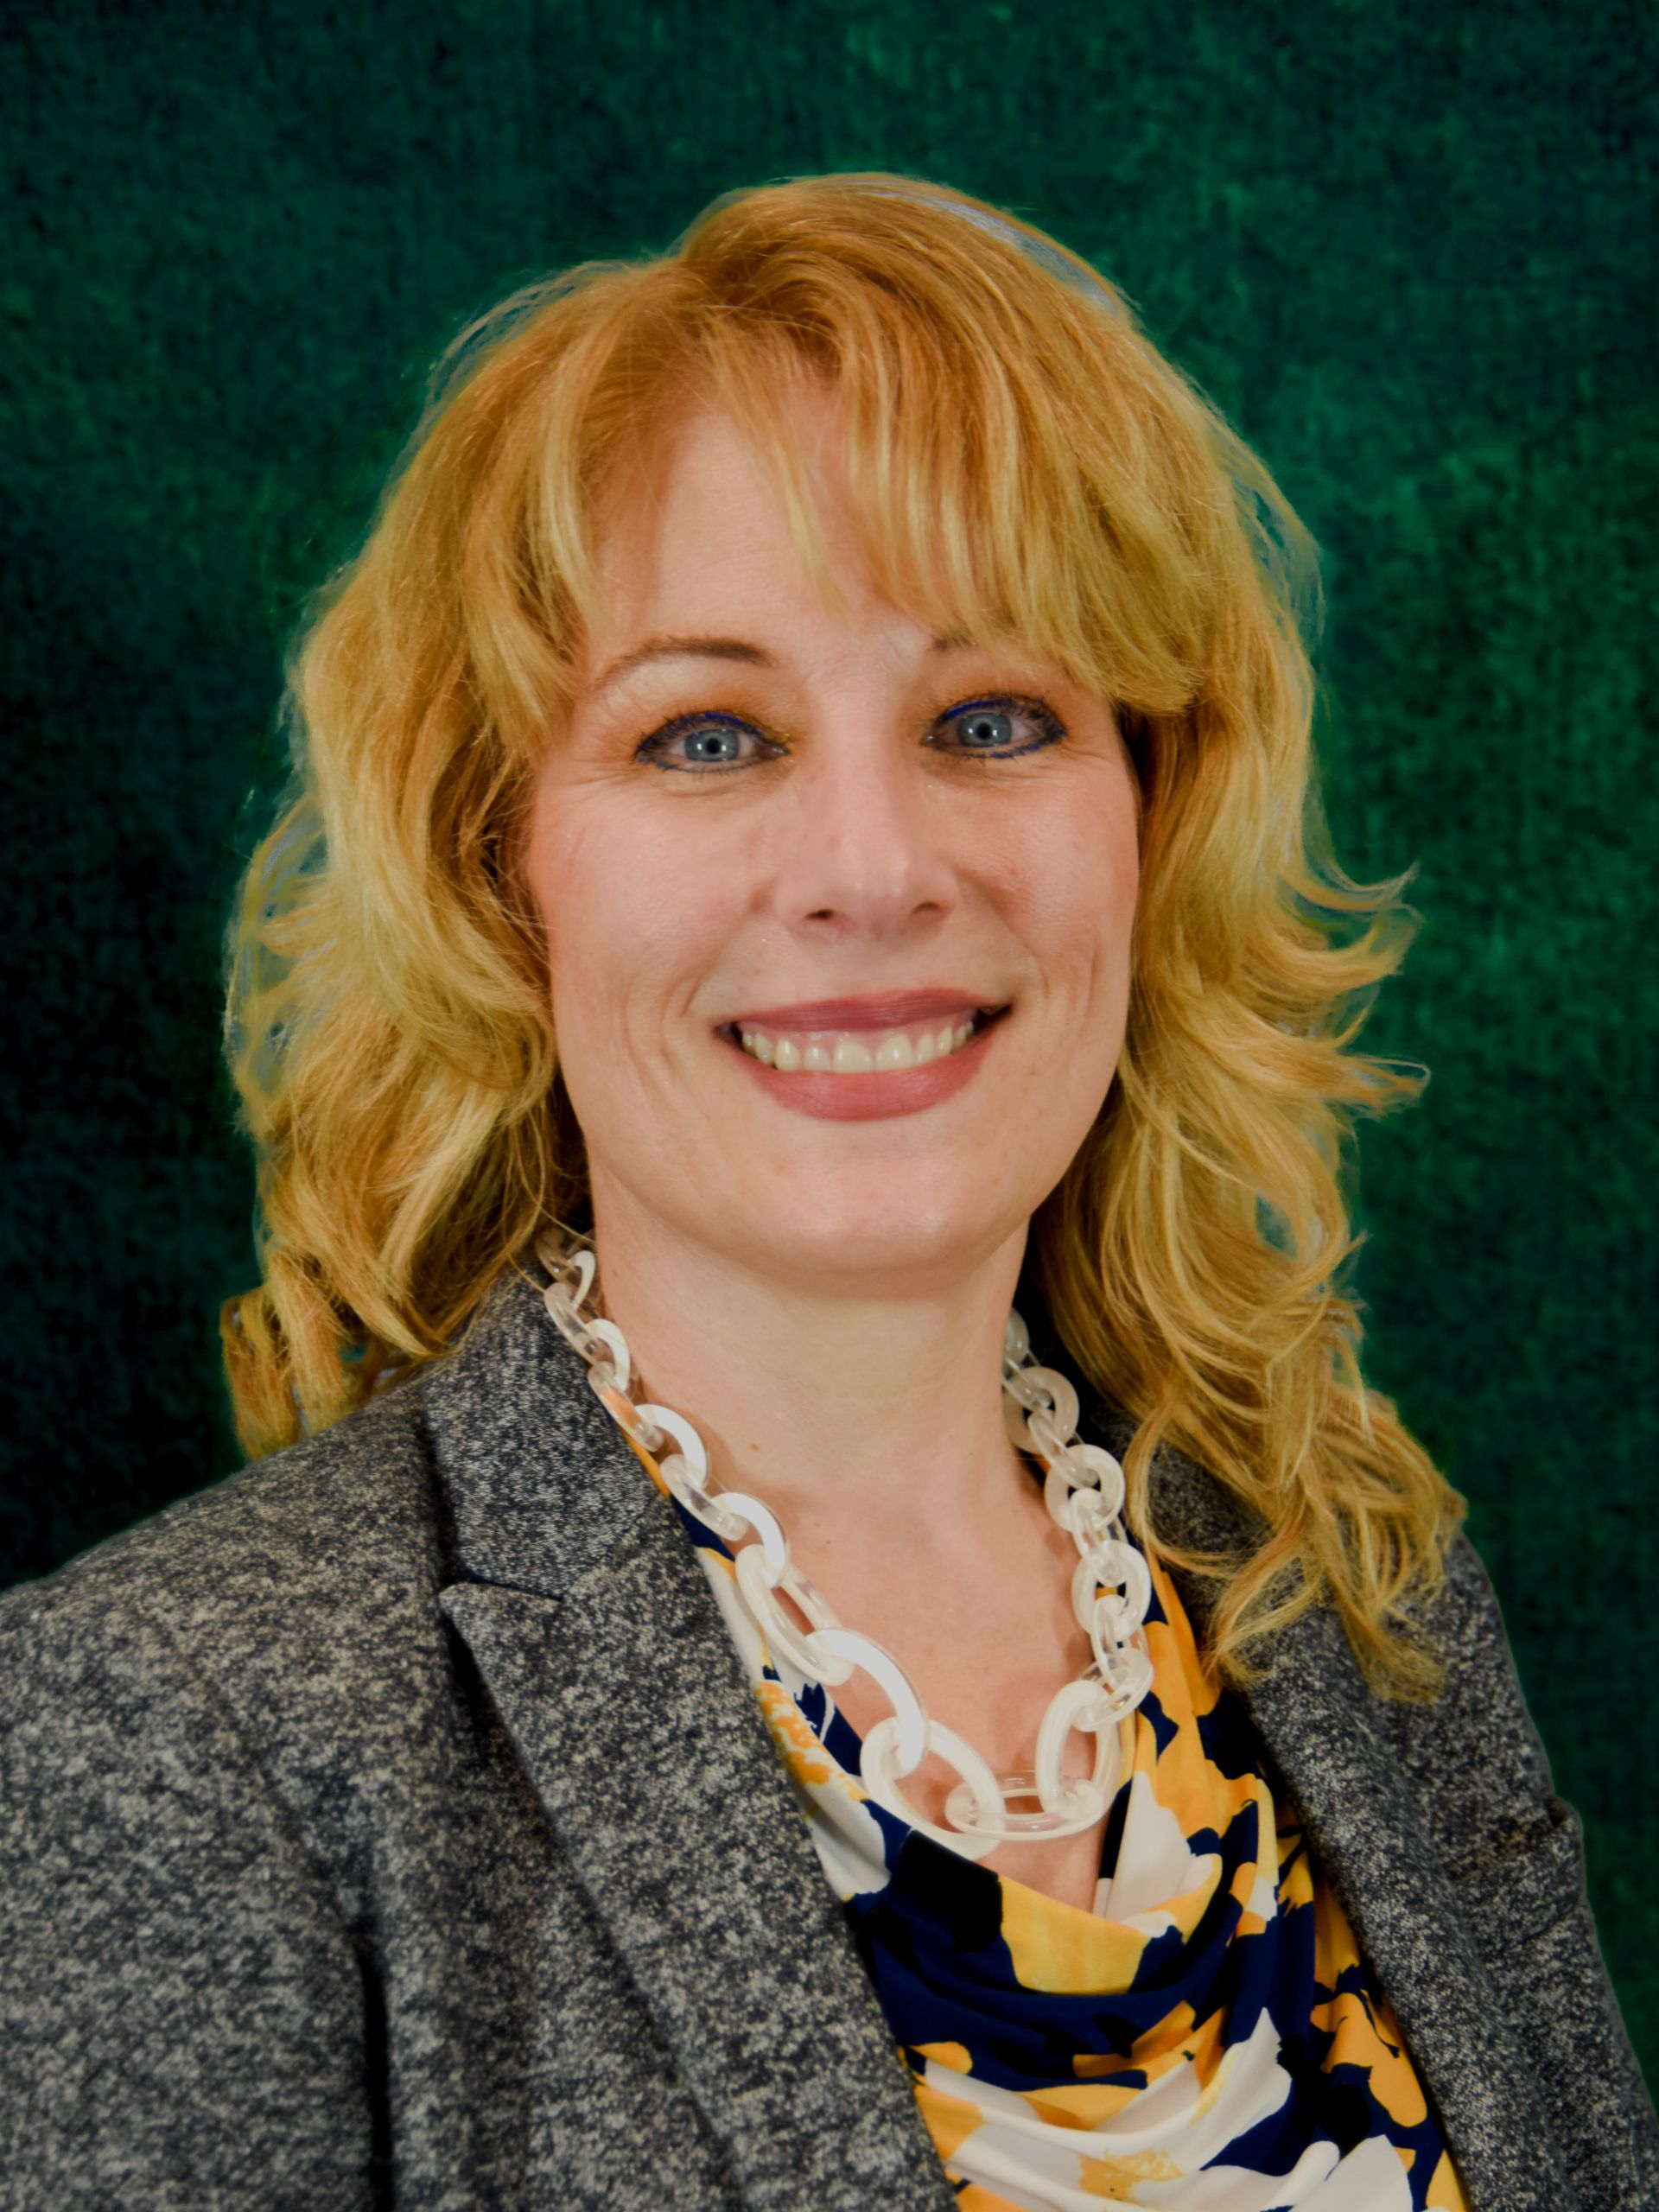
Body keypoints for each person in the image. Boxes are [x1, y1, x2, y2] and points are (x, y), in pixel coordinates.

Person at [1, 172, 1651, 2212]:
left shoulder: (1356, 1589)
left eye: (992, 717)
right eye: (709, 734)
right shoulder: (185, 1729)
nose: (873, 865)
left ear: (1152, 816)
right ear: (497, 869)